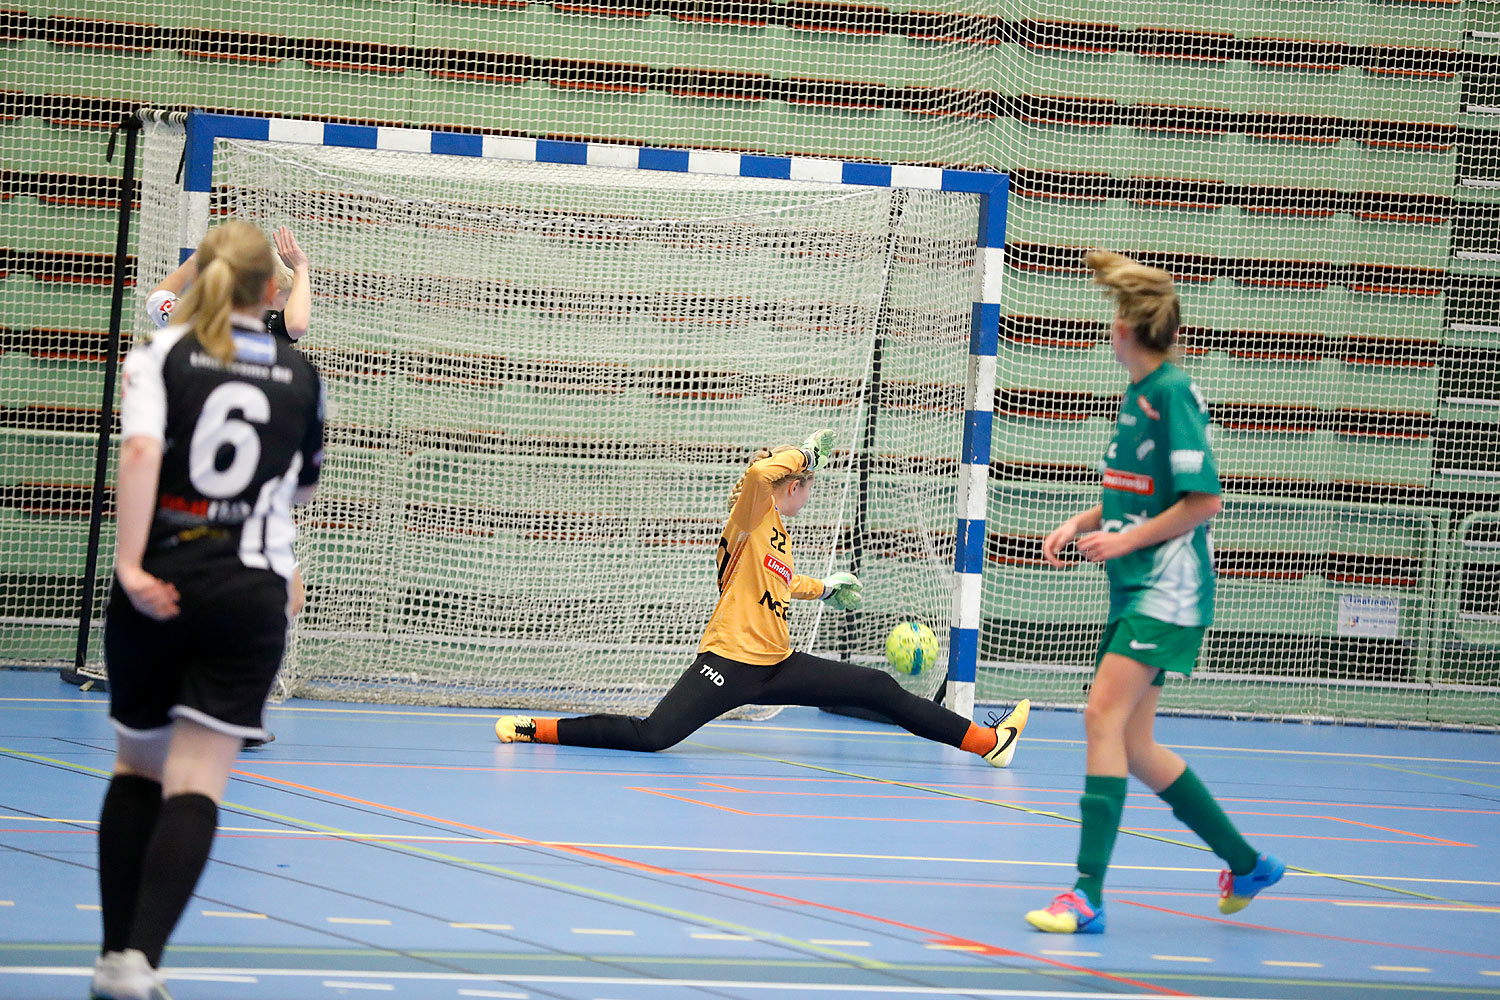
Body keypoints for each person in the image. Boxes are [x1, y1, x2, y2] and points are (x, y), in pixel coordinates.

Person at [91, 220, 325, 1000]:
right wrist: (283, 571)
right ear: (270, 291)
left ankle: (112, 951)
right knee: (198, 783)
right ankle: (138, 965)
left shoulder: (160, 352)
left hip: (161, 578)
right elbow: (296, 492)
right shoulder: (300, 374)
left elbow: (139, 454)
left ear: (204, 277)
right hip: (250, 590)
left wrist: (129, 565)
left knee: (137, 768)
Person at [494, 431, 1031, 767]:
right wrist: (802, 452)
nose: (811, 492)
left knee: (878, 686)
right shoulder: (750, 520)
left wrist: (823, 588)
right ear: (791, 485)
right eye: (807, 483)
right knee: (652, 737)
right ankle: (537, 728)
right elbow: (757, 474)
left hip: (778, 664)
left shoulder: (777, 533)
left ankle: (986, 741)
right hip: (729, 663)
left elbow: (780, 583)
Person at [1023, 251, 1283, 935]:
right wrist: (1080, 524)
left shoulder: (1172, 394)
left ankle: (1086, 894)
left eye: (1114, 318)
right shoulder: (1135, 398)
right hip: (1134, 585)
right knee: (1134, 745)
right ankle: (1245, 862)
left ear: (1129, 331)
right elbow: (1133, 496)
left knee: (1099, 718)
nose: (1108, 328)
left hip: (1168, 590)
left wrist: (1127, 542)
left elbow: (1203, 501)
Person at [146, 225, 314, 748]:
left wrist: (201, 259)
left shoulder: (182, 327)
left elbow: (158, 296)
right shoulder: (271, 344)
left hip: (180, 500)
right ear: (265, 292)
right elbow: (299, 323)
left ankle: (185, 691)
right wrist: (303, 270)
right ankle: (233, 699)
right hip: (247, 508)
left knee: (191, 591)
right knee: (278, 593)